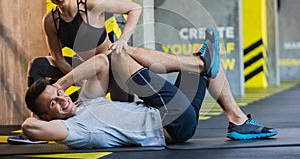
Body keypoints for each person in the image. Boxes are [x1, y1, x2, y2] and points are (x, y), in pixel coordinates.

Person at [21, 29, 278, 149]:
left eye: (58, 95)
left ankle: (238, 120)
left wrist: (60, 85)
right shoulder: (74, 130)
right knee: (118, 54)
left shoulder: (85, 101)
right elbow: (29, 128)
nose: (61, 100)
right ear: (46, 116)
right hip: (168, 121)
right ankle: (200, 62)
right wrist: (38, 114)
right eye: (53, 103)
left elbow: (99, 63)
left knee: (206, 65)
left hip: (174, 116)